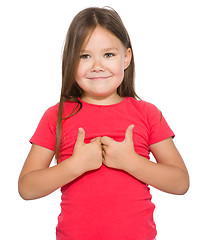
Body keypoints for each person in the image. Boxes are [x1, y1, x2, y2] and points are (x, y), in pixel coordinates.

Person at [18, 7, 189, 240]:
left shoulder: (147, 113)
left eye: (108, 55)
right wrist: (75, 166)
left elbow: (180, 183)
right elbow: (27, 188)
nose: (97, 65)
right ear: (71, 60)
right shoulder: (56, 115)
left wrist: (130, 162)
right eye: (84, 56)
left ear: (126, 57)